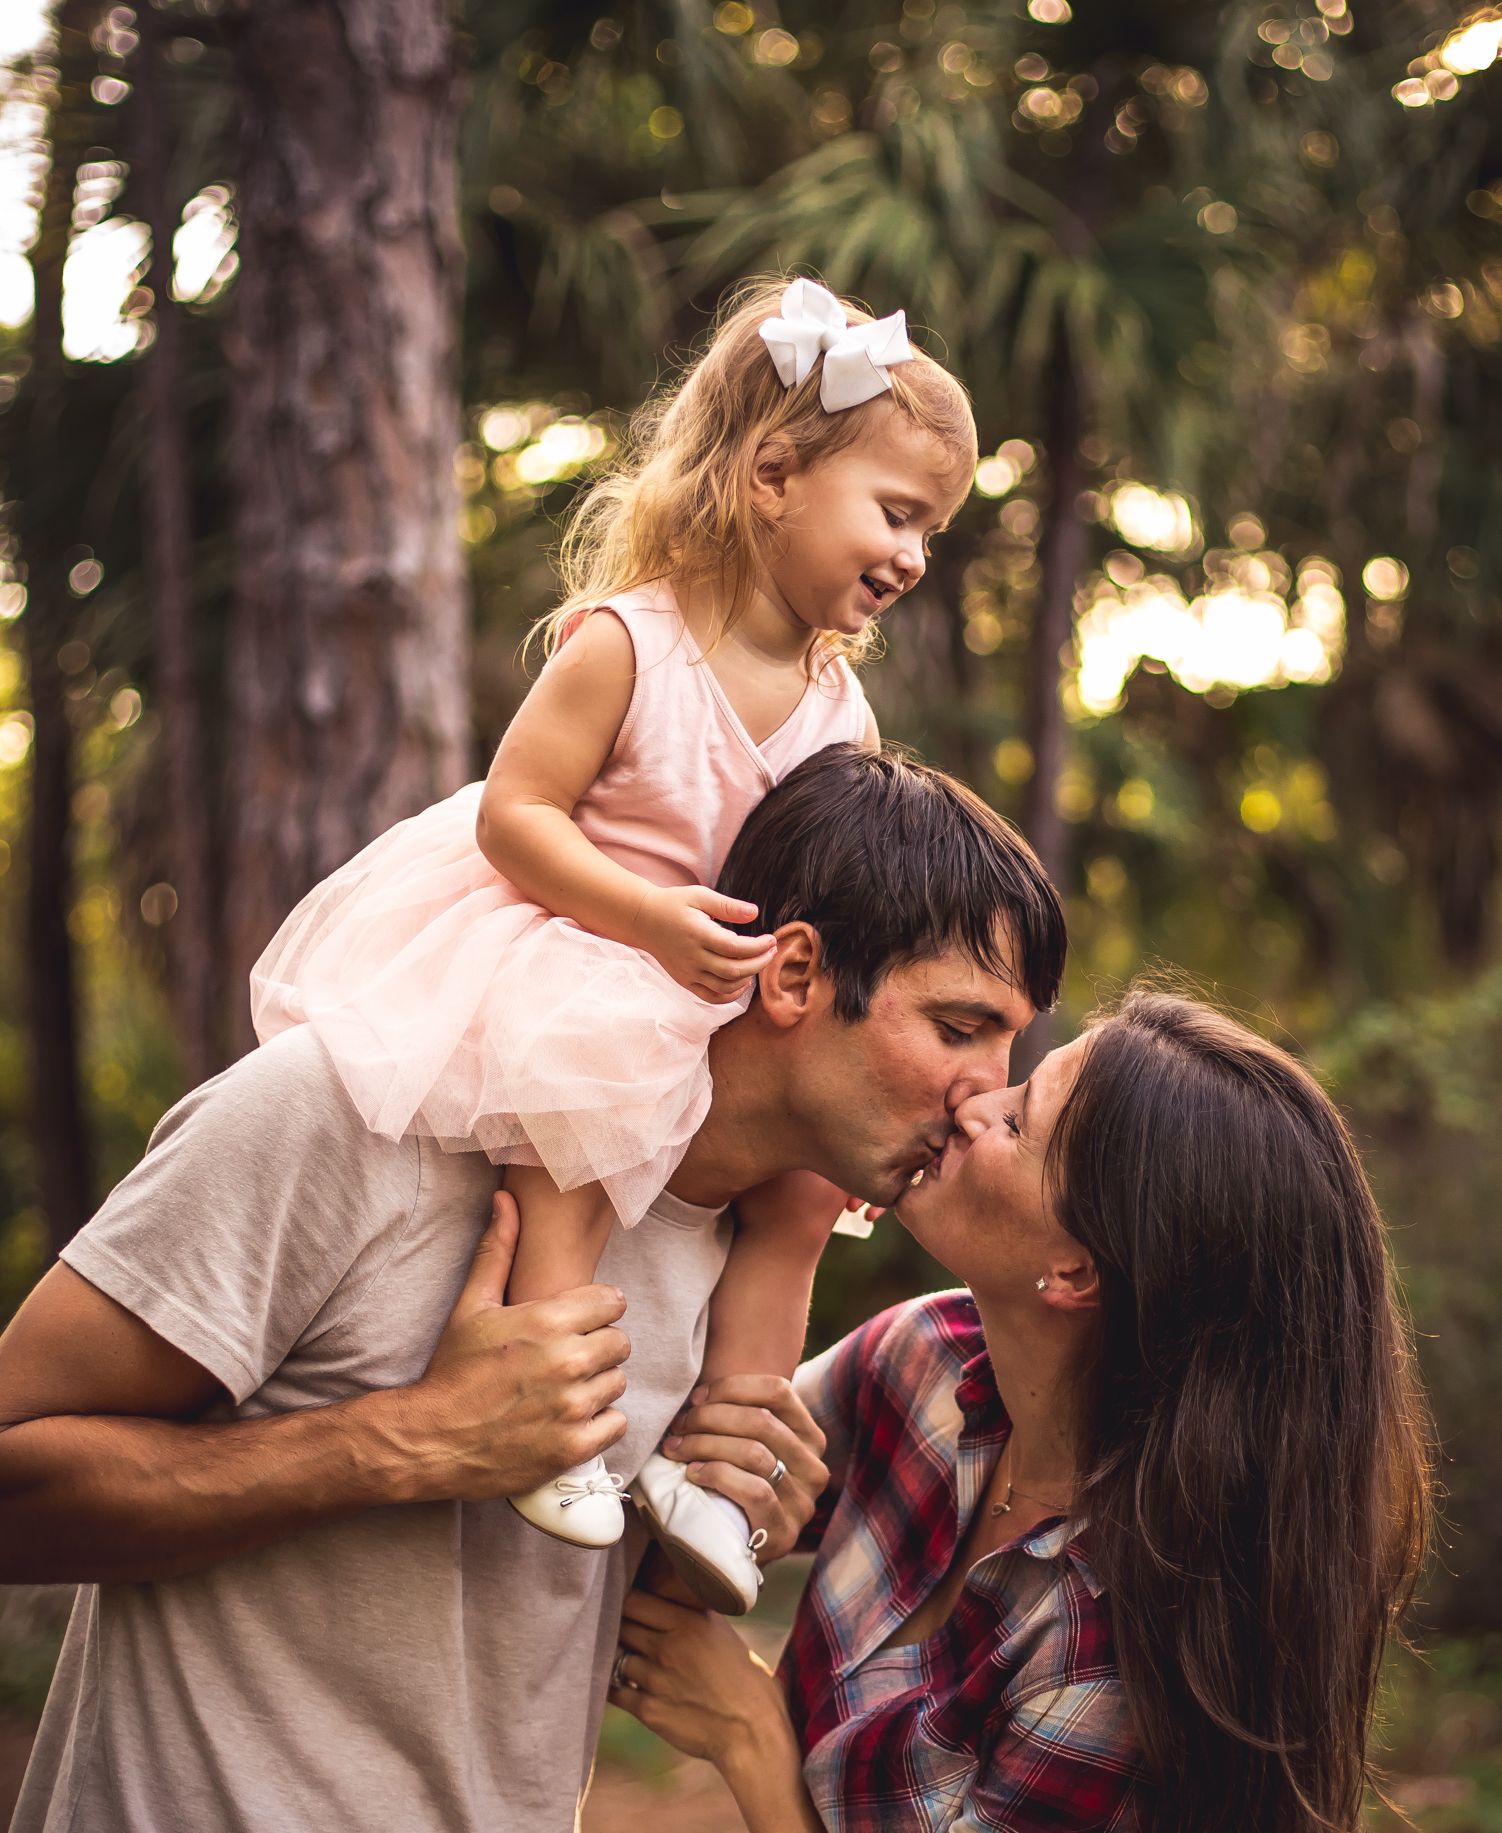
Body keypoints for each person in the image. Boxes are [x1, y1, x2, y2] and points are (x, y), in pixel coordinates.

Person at [0, 754, 1065, 1833]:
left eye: (1014, 1046)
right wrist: (411, 1438)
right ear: (792, 977)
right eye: (962, 1025)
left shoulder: (748, 1275)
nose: (989, 1093)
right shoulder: (354, 1115)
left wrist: (716, 1524)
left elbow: (518, 1613)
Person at [609, 990, 1434, 1833]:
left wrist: (753, 1739)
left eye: (1023, 1114)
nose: (972, 1100)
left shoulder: (1127, 1649)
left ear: (1075, 1271)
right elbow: (677, 1537)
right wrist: (787, 1234)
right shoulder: (925, 1369)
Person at [251, 275, 978, 1609]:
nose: (914, 555)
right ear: (773, 476)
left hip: (730, 990)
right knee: (593, 1111)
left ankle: (722, 1464)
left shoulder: (840, 707)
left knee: (806, 1197)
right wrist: (644, 916)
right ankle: (558, 1403)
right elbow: (515, 818)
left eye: (931, 530)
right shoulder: (626, 644)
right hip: (589, 945)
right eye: (897, 513)